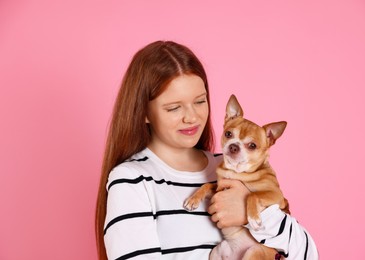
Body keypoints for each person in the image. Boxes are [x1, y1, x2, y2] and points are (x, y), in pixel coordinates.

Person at [95, 40, 318, 260]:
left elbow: (308, 255)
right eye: (174, 107)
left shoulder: (234, 169)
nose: (192, 117)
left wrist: (251, 212)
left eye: (200, 102)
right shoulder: (132, 180)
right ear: (143, 112)